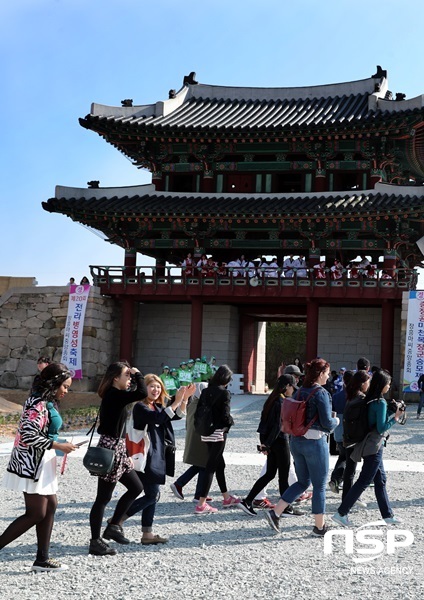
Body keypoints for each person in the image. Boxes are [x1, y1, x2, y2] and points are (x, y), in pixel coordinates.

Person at [0, 363, 77, 572]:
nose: (66, 391)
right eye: (65, 387)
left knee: (50, 507)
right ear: (54, 384)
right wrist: (58, 445)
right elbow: (27, 434)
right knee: (36, 513)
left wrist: (58, 445)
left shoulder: (47, 402)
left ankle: (42, 559)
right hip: (32, 464)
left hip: (43, 461)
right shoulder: (37, 403)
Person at [264, 358, 339, 537]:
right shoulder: (321, 393)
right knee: (319, 485)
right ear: (320, 374)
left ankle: (275, 512)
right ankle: (319, 527)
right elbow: (328, 423)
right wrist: (336, 420)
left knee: (303, 481)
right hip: (315, 442)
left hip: (296, 441)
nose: (328, 377)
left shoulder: (299, 392)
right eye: (327, 374)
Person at [122, 375, 193, 544]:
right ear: (144, 388)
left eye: (158, 387)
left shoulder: (155, 406)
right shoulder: (140, 407)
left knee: (152, 494)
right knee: (152, 495)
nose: (156, 390)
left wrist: (184, 399)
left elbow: (175, 417)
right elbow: (158, 419)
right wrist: (175, 402)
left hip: (155, 455)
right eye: (152, 386)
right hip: (145, 456)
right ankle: (117, 521)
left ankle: (147, 534)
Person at [88, 361, 147, 556]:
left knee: (136, 487)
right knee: (102, 498)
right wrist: (138, 373)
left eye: (130, 375)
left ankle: (113, 526)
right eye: (126, 375)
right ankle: (95, 541)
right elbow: (142, 393)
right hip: (110, 449)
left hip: (118, 448)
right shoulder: (114, 395)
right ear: (116, 378)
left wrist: (127, 454)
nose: (129, 378)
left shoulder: (116, 395)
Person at [332, 369, 404, 527]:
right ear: (383, 384)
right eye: (388, 384)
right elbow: (381, 427)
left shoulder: (370, 400)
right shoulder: (380, 402)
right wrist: (396, 418)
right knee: (364, 480)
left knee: (381, 480)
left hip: (368, 444)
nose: (389, 386)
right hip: (374, 446)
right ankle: (341, 513)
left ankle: (388, 515)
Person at [239, 375, 304, 517]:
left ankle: (248, 500)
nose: (293, 390)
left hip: (272, 442)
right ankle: (286, 507)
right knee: (283, 475)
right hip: (280, 441)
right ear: (287, 386)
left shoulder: (271, 399)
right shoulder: (281, 402)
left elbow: (263, 424)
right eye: (293, 387)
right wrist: (266, 445)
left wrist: (264, 443)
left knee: (270, 474)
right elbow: (277, 427)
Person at [194, 365, 241, 514]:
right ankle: (201, 504)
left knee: (220, 464)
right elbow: (225, 416)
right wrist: (231, 422)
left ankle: (226, 497)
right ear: (226, 379)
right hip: (218, 433)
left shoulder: (206, 391)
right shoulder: (224, 393)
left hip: (205, 431)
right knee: (211, 467)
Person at [170, 382, 215, 503]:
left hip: (193, 435)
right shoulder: (201, 404)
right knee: (204, 464)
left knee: (200, 464)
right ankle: (184, 487)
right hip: (199, 437)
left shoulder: (192, 402)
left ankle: (196, 493)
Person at [338, 370, 371, 503]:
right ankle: (349, 499)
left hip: (349, 437)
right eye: (368, 382)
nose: (369, 384)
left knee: (349, 471)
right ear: (363, 383)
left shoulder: (351, 396)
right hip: (357, 440)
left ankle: (347, 498)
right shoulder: (361, 399)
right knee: (359, 472)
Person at [328, 369, 354, 493]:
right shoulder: (356, 397)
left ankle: (335, 479)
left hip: (338, 432)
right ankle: (339, 481)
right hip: (351, 433)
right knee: (349, 461)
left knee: (343, 457)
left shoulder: (336, 396)